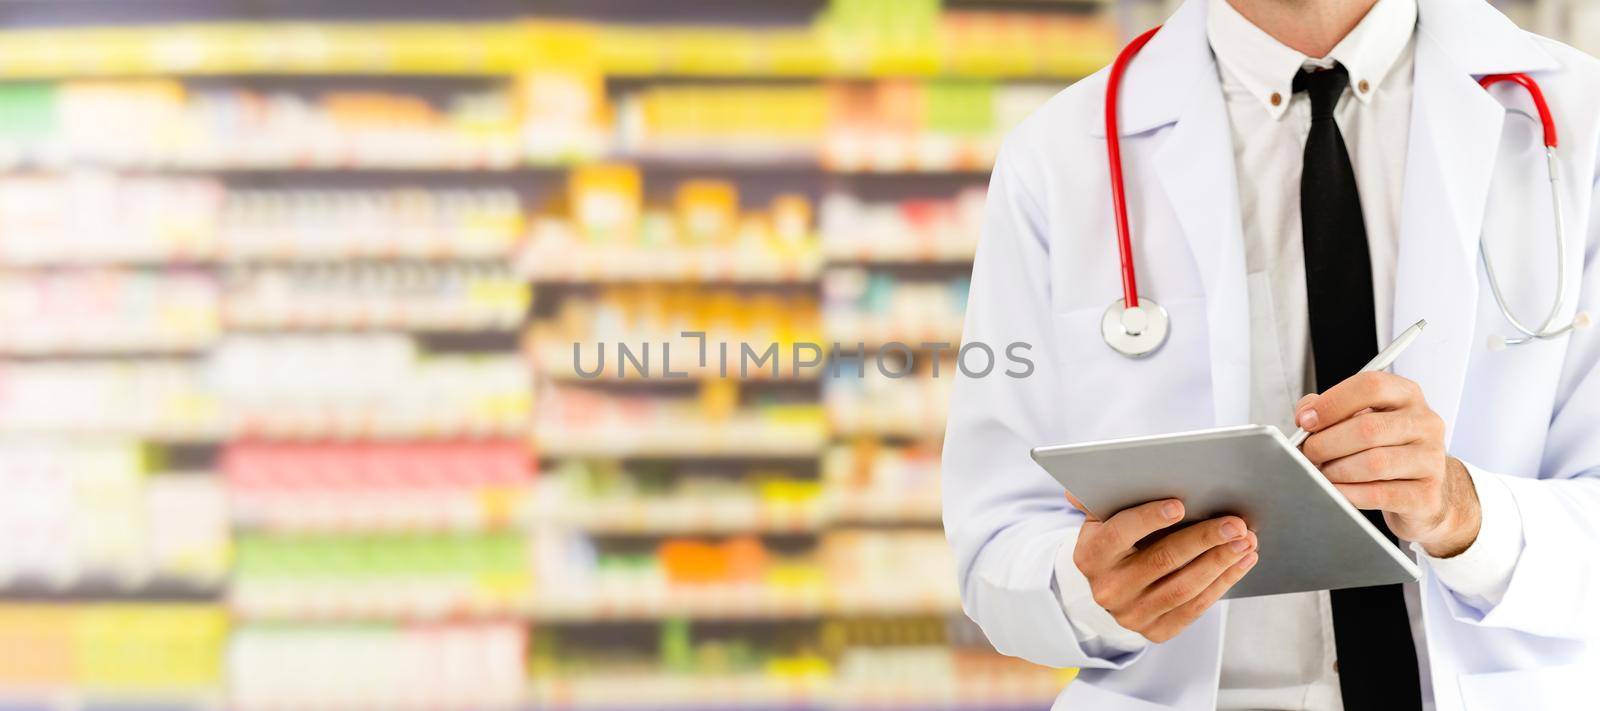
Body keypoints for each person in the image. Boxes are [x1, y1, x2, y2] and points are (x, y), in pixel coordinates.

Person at [940, 0, 1600, 709]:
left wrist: (1463, 513)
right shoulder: (1059, 157)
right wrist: (1090, 591)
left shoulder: (1577, 120)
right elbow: (995, 548)